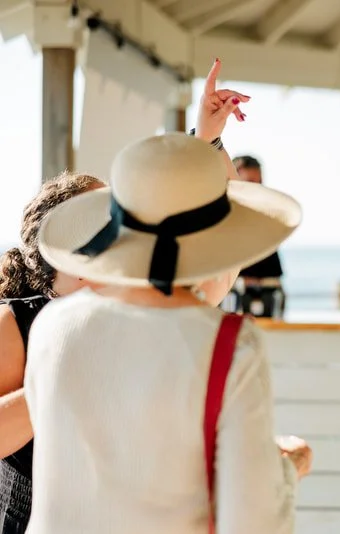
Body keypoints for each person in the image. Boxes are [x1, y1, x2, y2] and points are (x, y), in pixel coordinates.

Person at [22, 59, 310, 534]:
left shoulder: (55, 327)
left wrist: (208, 139)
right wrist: (291, 467)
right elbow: (251, 521)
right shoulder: (230, 344)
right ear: (218, 240)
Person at [0, 172, 105, 534]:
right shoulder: (14, 322)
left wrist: (209, 139)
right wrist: (58, 380)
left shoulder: (132, 311)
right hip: (32, 514)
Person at [229, 155, 286, 317]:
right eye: (250, 183)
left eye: (258, 183)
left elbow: (274, 270)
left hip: (267, 296)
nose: (255, 188)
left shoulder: (267, 215)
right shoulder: (222, 217)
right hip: (232, 299)